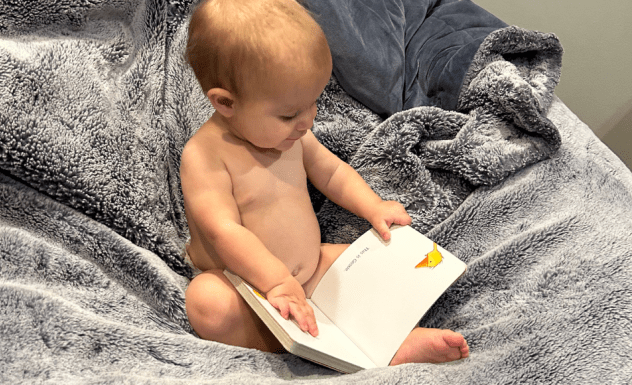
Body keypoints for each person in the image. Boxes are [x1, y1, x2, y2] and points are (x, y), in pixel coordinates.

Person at [180, 0, 469, 365]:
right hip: (247, 286)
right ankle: (291, 344)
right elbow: (223, 231)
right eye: (290, 113)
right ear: (225, 103)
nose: (307, 121)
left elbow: (332, 173)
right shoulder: (206, 156)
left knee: (368, 265)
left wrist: (372, 206)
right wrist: (276, 282)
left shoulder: (292, 136)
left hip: (311, 266)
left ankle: (388, 341)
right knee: (207, 304)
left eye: (313, 103)